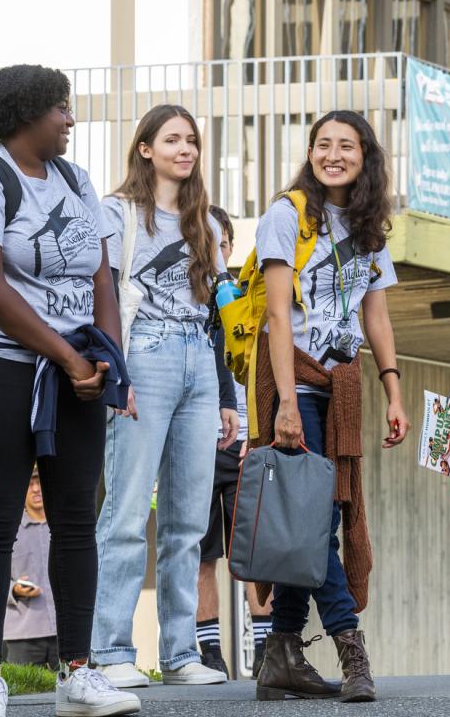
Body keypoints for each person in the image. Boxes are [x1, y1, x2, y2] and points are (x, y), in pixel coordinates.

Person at [0, 64, 141, 717]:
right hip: (1, 367)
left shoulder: (77, 181)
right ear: (25, 114)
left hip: (75, 373)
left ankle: (78, 674)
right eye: (60, 108)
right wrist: (65, 356)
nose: (70, 120)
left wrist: (103, 359)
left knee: (77, 520)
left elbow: (102, 277)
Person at [251, 110, 409, 704]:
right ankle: (352, 649)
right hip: (295, 384)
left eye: (346, 145)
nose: (333, 154)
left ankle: (282, 654)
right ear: (310, 153)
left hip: (342, 385)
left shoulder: (369, 227)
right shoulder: (286, 215)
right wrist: (287, 404)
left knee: (306, 519)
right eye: (323, 145)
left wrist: (394, 392)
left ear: (365, 156)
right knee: (313, 521)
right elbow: (275, 318)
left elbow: (377, 315)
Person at [92, 104, 228, 687]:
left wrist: (225, 392)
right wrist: (115, 373)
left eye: (191, 140)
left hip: (199, 358)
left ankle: (180, 655)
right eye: (172, 139)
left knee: (188, 521)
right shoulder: (117, 212)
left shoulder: (208, 224)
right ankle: (110, 652)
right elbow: (101, 294)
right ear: (145, 147)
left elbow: (219, 316)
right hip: (142, 355)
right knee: (125, 513)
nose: (185, 149)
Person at [196, 205, 272, 679]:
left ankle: (265, 648)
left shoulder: (244, 299)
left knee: (252, 555)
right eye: (206, 245)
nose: (216, 253)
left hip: (245, 442)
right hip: (197, 446)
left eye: (222, 244)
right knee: (201, 556)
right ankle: (208, 653)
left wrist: (259, 434)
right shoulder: (179, 301)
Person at [4, 467, 58, 668]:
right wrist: (14, 590)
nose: (36, 489)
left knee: (74, 695)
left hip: (66, 631)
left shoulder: (65, 526)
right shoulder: (10, 531)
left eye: (39, 483)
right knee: (22, 696)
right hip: (23, 633)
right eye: (29, 485)